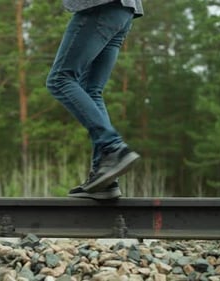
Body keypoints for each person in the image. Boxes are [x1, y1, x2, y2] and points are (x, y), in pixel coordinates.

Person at [46, 0, 144, 199]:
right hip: (124, 11)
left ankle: (112, 147)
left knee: (59, 79)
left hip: (100, 6)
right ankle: (105, 179)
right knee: (91, 90)